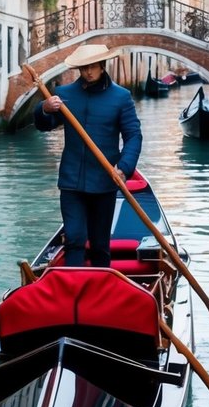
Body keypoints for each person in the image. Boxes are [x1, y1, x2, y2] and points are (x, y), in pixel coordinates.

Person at [33, 43, 142, 268]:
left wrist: (124, 168)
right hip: (71, 182)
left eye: (92, 67)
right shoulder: (64, 95)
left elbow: (133, 136)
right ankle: (75, 291)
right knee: (74, 240)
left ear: (102, 66)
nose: (88, 72)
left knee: (100, 245)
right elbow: (45, 125)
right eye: (83, 68)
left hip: (105, 181)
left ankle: (101, 291)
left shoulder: (121, 97)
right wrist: (44, 107)